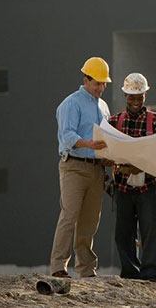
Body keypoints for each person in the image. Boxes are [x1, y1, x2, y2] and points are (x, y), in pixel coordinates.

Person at [50, 57, 112, 279]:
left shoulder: (103, 106)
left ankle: (86, 268)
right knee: (69, 215)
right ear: (86, 79)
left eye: (104, 84)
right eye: (97, 83)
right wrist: (88, 144)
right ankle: (58, 266)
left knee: (90, 220)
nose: (101, 87)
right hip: (74, 166)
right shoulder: (71, 103)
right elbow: (66, 136)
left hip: (96, 169)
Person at [108, 73, 156, 282]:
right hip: (123, 187)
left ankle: (151, 273)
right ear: (125, 96)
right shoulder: (114, 121)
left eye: (139, 97)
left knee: (150, 230)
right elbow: (107, 155)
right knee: (123, 232)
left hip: (148, 185)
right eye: (131, 97)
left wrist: (141, 166)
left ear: (145, 95)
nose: (135, 102)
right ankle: (130, 272)